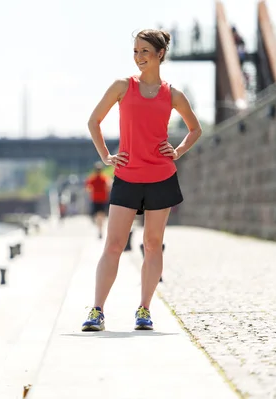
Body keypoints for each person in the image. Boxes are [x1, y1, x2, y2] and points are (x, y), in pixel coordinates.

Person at [82, 29, 202, 331]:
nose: (139, 57)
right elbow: (93, 121)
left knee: (152, 244)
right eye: (135, 51)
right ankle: (97, 311)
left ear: (160, 54)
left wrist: (177, 150)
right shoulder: (123, 87)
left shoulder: (172, 94)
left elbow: (195, 129)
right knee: (114, 244)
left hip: (161, 176)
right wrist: (107, 156)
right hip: (127, 176)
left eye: (145, 51)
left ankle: (144, 310)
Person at [85, 162, 112, 239]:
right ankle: (100, 229)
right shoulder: (105, 178)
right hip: (102, 199)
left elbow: (88, 188)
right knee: (101, 216)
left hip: (96, 199)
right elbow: (109, 187)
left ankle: (99, 230)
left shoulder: (92, 178)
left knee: (98, 216)